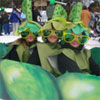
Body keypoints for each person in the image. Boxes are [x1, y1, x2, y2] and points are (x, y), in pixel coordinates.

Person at [56, 2, 100, 76]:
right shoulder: (64, 54)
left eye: (79, 37)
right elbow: (77, 74)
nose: (75, 40)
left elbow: (96, 68)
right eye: (72, 37)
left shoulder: (85, 52)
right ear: (67, 37)